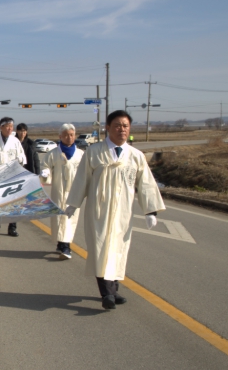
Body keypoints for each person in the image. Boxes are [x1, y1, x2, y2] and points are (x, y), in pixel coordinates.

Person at [66, 110, 165, 310]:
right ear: (108, 128)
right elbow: (82, 179)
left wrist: (150, 211)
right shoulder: (94, 152)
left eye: (125, 126)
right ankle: (107, 293)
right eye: (117, 125)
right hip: (98, 210)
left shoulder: (136, 156)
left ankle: (114, 289)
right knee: (101, 248)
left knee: (118, 249)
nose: (122, 129)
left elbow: (145, 184)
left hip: (122, 212)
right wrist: (73, 204)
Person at [39, 123, 84, 259]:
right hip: (59, 190)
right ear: (60, 136)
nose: (69, 137)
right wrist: (45, 173)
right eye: (66, 135)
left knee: (70, 217)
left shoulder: (81, 154)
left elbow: (87, 172)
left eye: (71, 135)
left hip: (74, 190)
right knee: (59, 217)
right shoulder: (53, 154)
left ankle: (65, 245)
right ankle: (62, 244)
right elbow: (45, 166)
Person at [0, 117, 27, 236]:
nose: (10, 129)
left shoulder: (15, 141)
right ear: (1, 127)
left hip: (12, 177)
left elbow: (23, 157)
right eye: (7, 126)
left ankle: (12, 227)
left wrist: (20, 160)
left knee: (13, 202)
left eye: (11, 126)